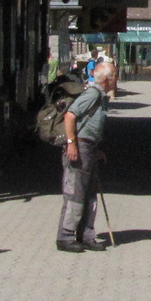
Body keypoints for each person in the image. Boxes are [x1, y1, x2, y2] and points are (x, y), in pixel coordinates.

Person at [58, 59, 115, 252]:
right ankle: (66, 236)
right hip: (80, 147)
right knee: (75, 193)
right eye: (114, 75)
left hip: (89, 147)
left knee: (90, 193)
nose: (116, 79)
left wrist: (95, 148)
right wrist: (72, 143)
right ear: (107, 79)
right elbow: (70, 116)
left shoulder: (100, 96)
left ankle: (87, 235)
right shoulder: (92, 94)